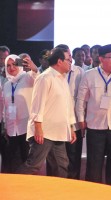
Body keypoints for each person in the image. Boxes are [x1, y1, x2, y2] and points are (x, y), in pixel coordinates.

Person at [76, 44, 111, 187]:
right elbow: (81, 100)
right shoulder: (89, 75)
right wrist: (81, 121)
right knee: (94, 167)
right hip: (95, 126)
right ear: (101, 59)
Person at [16, 47, 77, 177]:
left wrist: (70, 127)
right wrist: (38, 127)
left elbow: (67, 105)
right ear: (59, 61)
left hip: (58, 131)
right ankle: (11, 190)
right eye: (68, 59)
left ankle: (57, 195)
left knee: (61, 166)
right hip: (44, 132)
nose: (71, 61)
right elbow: (37, 104)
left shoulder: (62, 79)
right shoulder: (45, 77)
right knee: (33, 165)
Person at [3, 54, 38, 173]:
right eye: (8, 65)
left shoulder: (28, 78)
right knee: (13, 161)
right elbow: (5, 107)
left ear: (19, 65)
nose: (11, 67)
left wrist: (34, 68)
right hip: (12, 129)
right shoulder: (7, 85)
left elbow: (39, 79)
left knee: (27, 161)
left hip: (26, 128)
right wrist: (5, 126)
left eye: (14, 64)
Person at [56, 44, 85, 179]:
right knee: (58, 159)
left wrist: (81, 119)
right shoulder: (53, 73)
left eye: (68, 56)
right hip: (57, 123)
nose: (67, 59)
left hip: (74, 123)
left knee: (74, 158)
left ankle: (74, 188)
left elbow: (83, 99)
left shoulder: (80, 72)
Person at [0, 45, 10, 173]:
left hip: (9, 117)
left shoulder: (14, 71)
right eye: (1, 58)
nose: (3, 61)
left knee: (8, 151)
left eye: (5, 58)